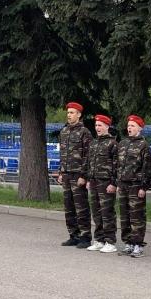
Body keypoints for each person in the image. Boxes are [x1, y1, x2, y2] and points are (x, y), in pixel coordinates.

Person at [116, 115, 151, 258]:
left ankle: (138, 245)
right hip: (124, 185)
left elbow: (147, 167)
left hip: (136, 185)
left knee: (136, 216)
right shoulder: (123, 144)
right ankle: (128, 243)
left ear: (140, 128)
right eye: (129, 125)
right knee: (125, 216)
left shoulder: (143, 145)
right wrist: (119, 182)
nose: (129, 128)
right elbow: (119, 166)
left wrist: (143, 187)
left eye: (132, 126)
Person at [57, 101, 92, 248]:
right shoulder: (64, 132)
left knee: (81, 206)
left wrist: (84, 175)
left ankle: (85, 237)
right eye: (68, 112)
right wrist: (60, 172)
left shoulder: (85, 132)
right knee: (69, 206)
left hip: (78, 175)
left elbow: (88, 156)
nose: (69, 115)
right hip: (66, 174)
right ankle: (73, 235)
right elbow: (62, 154)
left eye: (72, 113)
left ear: (79, 115)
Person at [86, 114, 118, 253]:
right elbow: (89, 163)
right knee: (96, 212)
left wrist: (113, 183)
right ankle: (99, 240)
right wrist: (88, 179)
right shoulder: (93, 143)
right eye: (96, 125)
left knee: (107, 212)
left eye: (100, 125)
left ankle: (110, 241)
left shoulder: (112, 143)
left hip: (106, 183)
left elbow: (117, 165)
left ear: (107, 126)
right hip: (93, 181)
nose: (97, 128)